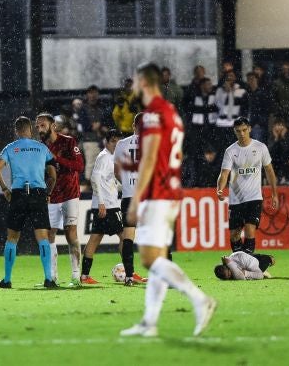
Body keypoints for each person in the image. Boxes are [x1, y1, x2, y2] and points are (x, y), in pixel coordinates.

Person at [120, 62, 216, 338]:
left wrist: (136, 199)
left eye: (136, 81)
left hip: (157, 193)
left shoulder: (152, 114)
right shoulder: (171, 112)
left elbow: (150, 157)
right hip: (171, 190)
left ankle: (200, 299)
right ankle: (149, 322)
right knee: (158, 259)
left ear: (145, 83)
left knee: (150, 259)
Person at [0, 116, 58, 289]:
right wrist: (48, 193)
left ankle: (7, 280)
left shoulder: (10, 148)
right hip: (38, 193)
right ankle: (48, 279)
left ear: (16, 131)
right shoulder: (42, 148)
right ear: (31, 129)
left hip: (19, 195)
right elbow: (53, 175)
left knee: (12, 238)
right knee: (43, 237)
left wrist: (5, 189)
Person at [216, 117, 280, 253]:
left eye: (244, 130)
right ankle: (241, 259)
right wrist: (220, 188)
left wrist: (274, 194)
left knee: (250, 230)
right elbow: (224, 173)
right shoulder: (230, 151)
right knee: (234, 235)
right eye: (238, 131)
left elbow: (269, 171)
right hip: (236, 200)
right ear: (234, 131)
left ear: (250, 129)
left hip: (254, 198)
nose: (242, 133)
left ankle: (247, 260)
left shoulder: (260, 147)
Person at [36, 113, 85, 286]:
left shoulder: (68, 142)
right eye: (37, 126)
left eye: (43, 125)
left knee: (71, 233)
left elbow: (79, 166)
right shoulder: (40, 147)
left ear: (53, 126)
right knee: (49, 234)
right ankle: (52, 276)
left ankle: (75, 276)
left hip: (69, 193)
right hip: (51, 195)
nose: (39, 129)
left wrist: (57, 159)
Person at [80, 130, 124, 285]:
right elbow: (95, 178)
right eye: (114, 141)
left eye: (119, 142)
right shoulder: (104, 157)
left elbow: (107, 180)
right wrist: (101, 202)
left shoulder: (112, 157)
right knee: (125, 236)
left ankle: (84, 276)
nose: (116, 145)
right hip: (108, 205)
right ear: (107, 141)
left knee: (95, 238)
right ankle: (129, 272)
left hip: (104, 204)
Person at [113, 113, 148, 285]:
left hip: (129, 196)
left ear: (133, 126)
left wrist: (127, 184)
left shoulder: (121, 144)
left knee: (128, 236)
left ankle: (128, 276)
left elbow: (116, 172)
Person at [214, 70, 246, 137]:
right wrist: (226, 93)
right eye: (228, 76)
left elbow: (243, 106)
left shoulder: (241, 90)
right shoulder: (219, 90)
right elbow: (218, 105)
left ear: (235, 78)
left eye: (232, 76)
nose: (229, 77)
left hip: (235, 122)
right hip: (222, 122)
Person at [243, 71, 272, 142]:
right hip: (247, 124)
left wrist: (259, 122)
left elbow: (266, 109)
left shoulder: (262, 93)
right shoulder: (246, 93)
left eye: (252, 79)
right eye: (248, 79)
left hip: (257, 125)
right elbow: (244, 108)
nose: (250, 81)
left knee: (256, 143)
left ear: (257, 79)